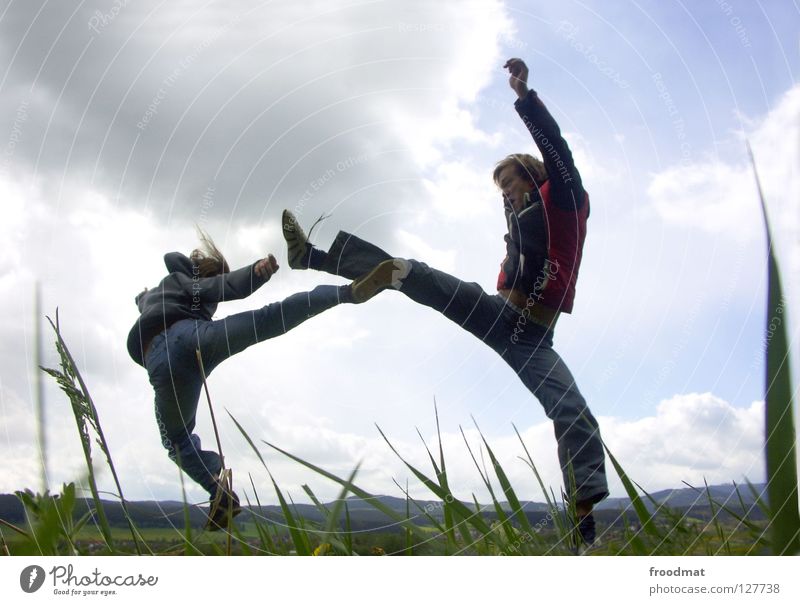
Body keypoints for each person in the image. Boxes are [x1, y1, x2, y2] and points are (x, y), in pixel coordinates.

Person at [281, 57, 607, 549]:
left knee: (572, 410)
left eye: (509, 184)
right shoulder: (519, 220)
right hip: (499, 314)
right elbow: (517, 259)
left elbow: (557, 151)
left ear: (531, 174)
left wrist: (524, 97)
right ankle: (314, 257)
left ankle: (583, 526)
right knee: (412, 274)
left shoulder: (565, 200)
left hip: (534, 339)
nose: (505, 195)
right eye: (500, 190)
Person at [127, 230, 373, 530]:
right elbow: (221, 286)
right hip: (190, 340)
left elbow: (148, 300)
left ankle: (218, 491)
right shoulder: (188, 283)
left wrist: (142, 297)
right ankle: (346, 293)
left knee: (175, 440)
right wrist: (256, 274)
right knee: (268, 319)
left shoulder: (158, 293)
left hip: (160, 367)